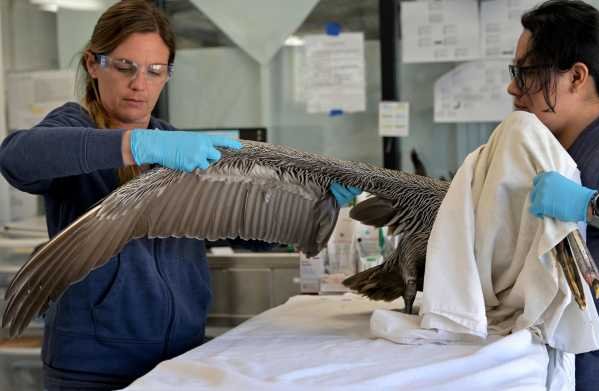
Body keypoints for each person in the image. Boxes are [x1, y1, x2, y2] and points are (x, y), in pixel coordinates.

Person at [0, 1, 359, 389]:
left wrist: (315, 204)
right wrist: (136, 145)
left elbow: (234, 226)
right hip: (94, 367)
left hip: (181, 358)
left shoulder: (178, 143)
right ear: (93, 64)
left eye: (156, 71)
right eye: (125, 67)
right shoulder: (73, 126)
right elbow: (18, 157)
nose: (140, 84)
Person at [506, 1, 599, 389]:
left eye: (526, 72)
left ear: (576, 77)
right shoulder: (555, 153)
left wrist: (586, 204)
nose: (513, 87)